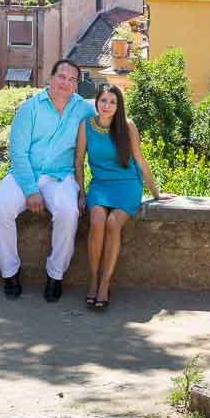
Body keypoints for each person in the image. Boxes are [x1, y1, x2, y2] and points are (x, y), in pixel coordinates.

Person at [0, 58, 95, 302]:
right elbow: (18, 152)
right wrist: (30, 190)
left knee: (69, 213)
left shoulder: (84, 110)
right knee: (1, 209)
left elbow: (107, 128)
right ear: (50, 78)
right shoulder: (30, 108)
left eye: (72, 80)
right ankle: (9, 272)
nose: (66, 83)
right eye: (61, 77)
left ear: (76, 85)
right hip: (25, 172)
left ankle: (55, 275)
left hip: (60, 176)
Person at [75, 83, 173, 309]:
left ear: (119, 106)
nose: (107, 106)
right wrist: (81, 194)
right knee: (97, 220)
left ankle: (104, 284)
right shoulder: (86, 126)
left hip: (127, 184)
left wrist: (156, 194)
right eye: (103, 101)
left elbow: (140, 160)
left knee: (112, 222)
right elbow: (79, 162)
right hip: (100, 184)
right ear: (96, 102)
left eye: (112, 102)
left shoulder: (127, 126)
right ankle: (93, 279)